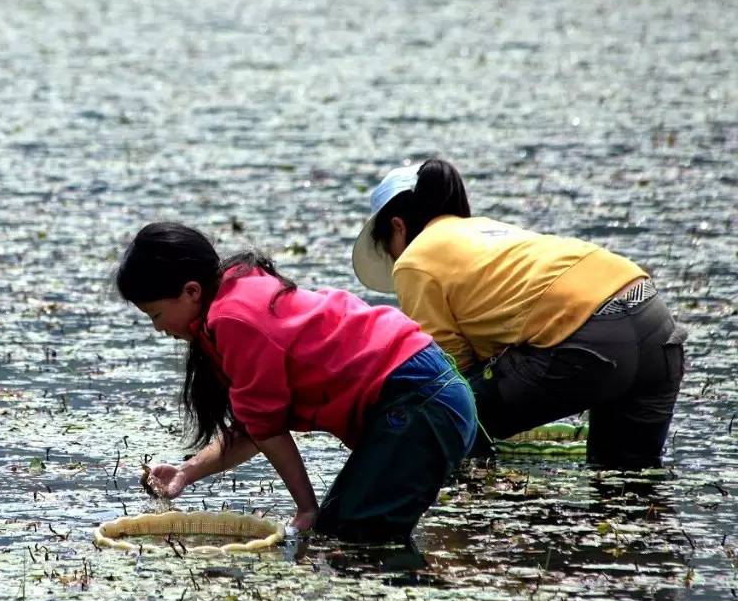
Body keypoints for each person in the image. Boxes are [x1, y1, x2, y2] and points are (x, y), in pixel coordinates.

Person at [116, 222, 476, 543]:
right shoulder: (232, 294)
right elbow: (254, 427)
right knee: (343, 533)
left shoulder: (235, 320)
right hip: (426, 391)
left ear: (191, 292)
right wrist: (186, 471)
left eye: (156, 315)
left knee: (353, 538)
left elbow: (267, 431)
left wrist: (305, 508)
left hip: (418, 395)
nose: (158, 328)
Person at [352, 158, 685, 469]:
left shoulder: (415, 259)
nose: (396, 261)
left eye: (389, 250)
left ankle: (475, 513)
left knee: (440, 413)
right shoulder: (487, 230)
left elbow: (449, 375)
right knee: (628, 483)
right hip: (654, 322)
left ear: (397, 227)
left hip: (591, 337)